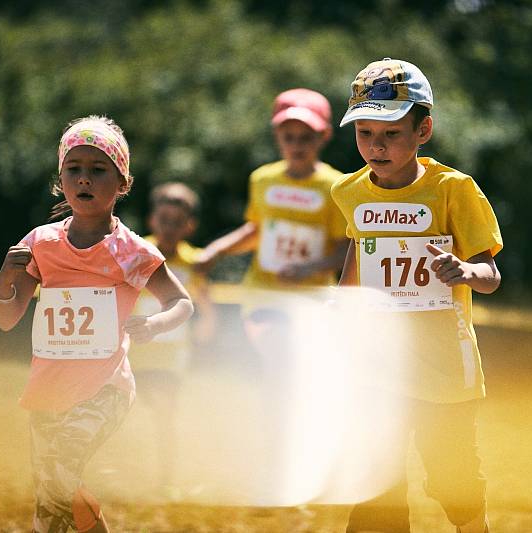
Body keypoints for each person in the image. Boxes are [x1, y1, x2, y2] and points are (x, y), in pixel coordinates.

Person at [0, 116, 194, 533]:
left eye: (98, 170)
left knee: (61, 471)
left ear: (122, 183)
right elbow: (7, 320)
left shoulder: (132, 250)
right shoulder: (40, 244)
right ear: (60, 178)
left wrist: (154, 325)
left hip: (105, 388)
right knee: (50, 507)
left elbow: (181, 302)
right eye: (74, 169)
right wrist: (5, 283)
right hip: (47, 390)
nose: (84, 179)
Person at [330, 58, 503, 533]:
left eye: (390, 133)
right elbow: (358, 261)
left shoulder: (453, 190)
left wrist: (464, 270)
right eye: (365, 133)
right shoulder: (348, 192)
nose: (375, 146)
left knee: (453, 479)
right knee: (376, 480)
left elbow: (490, 275)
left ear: (423, 129)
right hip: (378, 364)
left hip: (444, 364)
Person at [195, 88, 348, 348]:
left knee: (298, 372)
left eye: (306, 137)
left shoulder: (337, 186)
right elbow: (256, 232)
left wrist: (307, 269)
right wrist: (215, 251)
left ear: (324, 136)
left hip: (314, 298)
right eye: (289, 137)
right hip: (263, 293)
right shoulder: (262, 179)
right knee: (278, 353)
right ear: (277, 135)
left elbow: (345, 250)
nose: (296, 145)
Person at [127, 181, 215, 497]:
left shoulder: (195, 263)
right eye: (164, 220)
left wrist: (206, 328)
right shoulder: (135, 252)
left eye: (178, 222)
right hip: (134, 354)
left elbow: (205, 307)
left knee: (165, 415)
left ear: (189, 226)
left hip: (172, 358)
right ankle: (123, 473)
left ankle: (165, 481)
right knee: (124, 415)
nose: (169, 228)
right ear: (152, 220)